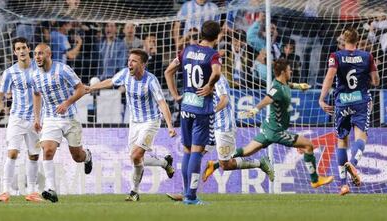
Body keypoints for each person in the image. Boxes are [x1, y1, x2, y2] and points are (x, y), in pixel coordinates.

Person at [205, 59, 334, 189]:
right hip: (276, 132)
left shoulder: (283, 84)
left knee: (245, 151)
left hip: (267, 129)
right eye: (289, 70)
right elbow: (267, 99)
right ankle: (315, 180)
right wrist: (255, 109)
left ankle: (214, 164)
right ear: (283, 72)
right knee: (308, 145)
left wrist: (299, 86)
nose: (291, 71)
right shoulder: (276, 88)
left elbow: (288, 85)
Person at [166, 74, 274, 202]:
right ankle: (187, 193)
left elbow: (224, 100)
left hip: (223, 126)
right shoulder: (199, 77)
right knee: (192, 154)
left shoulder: (218, 78)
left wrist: (211, 112)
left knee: (225, 164)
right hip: (207, 124)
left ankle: (260, 162)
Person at [88, 49, 177, 202]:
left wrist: (169, 125)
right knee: (135, 158)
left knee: (136, 155)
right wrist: (90, 88)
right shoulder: (124, 74)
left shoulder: (151, 80)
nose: (130, 63)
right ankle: (164, 162)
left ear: (143, 64)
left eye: (134, 61)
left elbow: (162, 103)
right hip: (134, 122)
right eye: (129, 60)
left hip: (150, 121)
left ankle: (134, 192)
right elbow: (110, 81)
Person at [165, 20, 222, 205]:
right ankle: (190, 196)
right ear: (218, 36)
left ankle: (186, 191)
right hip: (202, 108)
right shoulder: (213, 55)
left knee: (188, 150)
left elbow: (168, 72)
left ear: (201, 34)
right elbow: (217, 73)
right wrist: (209, 85)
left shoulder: (187, 50)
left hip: (186, 106)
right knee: (197, 151)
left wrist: (175, 95)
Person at [0, 37, 43, 203]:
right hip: (16, 118)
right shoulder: (9, 72)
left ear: (29, 49)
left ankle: (32, 192)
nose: (21, 51)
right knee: (12, 152)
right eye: (18, 48)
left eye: (24, 47)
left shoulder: (40, 69)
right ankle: (5, 191)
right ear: (15, 52)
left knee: (34, 155)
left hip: (36, 119)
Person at [319, 27, 379, 195]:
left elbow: (330, 77)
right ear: (357, 41)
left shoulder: (336, 56)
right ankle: (353, 162)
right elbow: (375, 81)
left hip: (342, 103)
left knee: (342, 142)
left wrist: (321, 99)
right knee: (361, 137)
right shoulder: (368, 57)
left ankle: (343, 184)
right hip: (361, 102)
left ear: (344, 41)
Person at [31, 43, 93, 203]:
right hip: (50, 118)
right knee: (48, 150)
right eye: (35, 54)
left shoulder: (63, 70)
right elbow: (37, 95)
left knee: (77, 156)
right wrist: (37, 118)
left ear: (49, 54)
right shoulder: (34, 75)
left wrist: (67, 103)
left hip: (70, 118)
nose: (37, 57)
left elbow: (80, 89)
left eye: (40, 53)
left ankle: (87, 157)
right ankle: (51, 189)